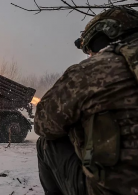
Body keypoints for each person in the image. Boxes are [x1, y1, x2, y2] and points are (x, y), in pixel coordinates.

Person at [35, 7, 138, 195]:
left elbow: (43, 124)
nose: (90, 56)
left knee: (47, 143)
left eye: (90, 50)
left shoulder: (91, 71)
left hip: (112, 190)